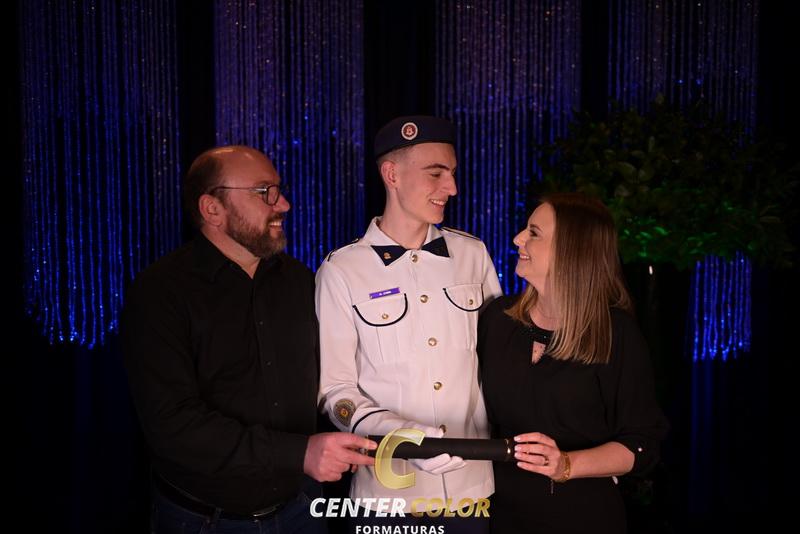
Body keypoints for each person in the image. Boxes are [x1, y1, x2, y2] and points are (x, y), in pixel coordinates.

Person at [121, 145, 376, 534]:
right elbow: (172, 425)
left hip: (301, 510)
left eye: (278, 190)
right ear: (212, 209)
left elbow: (333, 379)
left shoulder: (300, 281)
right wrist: (299, 453)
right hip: (206, 521)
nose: (283, 204)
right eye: (264, 192)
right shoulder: (160, 293)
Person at [316, 116, 501, 531]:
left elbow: (500, 361)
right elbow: (336, 391)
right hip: (387, 497)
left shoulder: (473, 254)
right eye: (436, 173)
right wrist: (401, 436)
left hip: (471, 492)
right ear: (392, 175)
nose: (451, 187)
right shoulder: (341, 270)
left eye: (452, 173)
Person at [477, 192, 669, 533]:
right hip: (500, 514)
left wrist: (566, 464)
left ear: (571, 250)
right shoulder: (498, 318)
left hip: (580, 517)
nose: (518, 238)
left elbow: (641, 445)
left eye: (534, 233)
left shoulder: (615, 333)